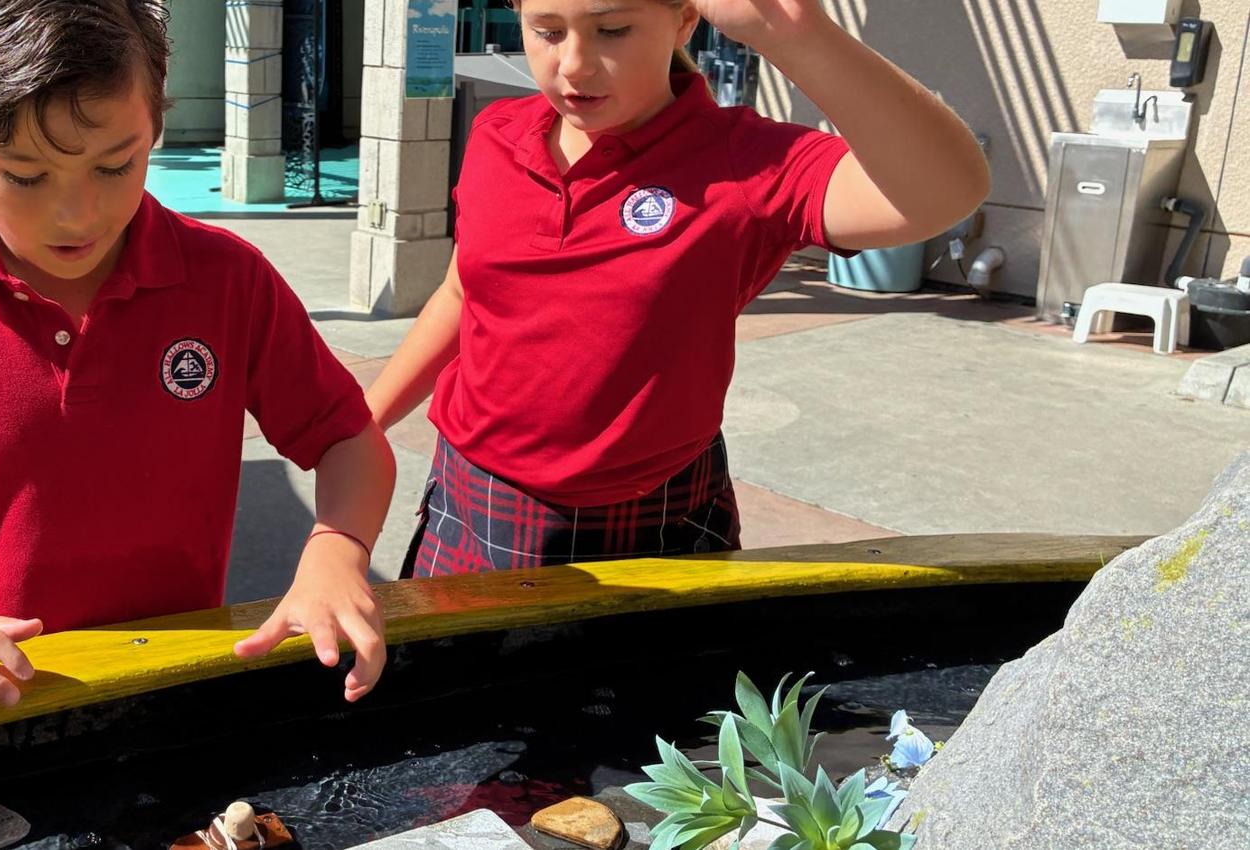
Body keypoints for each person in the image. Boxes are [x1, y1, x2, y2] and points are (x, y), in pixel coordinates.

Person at [0, 0, 397, 736]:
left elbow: (348, 439)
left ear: (155, 118)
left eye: (115, 164)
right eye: (27, 176)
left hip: (174, 685)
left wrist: (336, 553)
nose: (78, 214)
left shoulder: (228, 282)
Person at [363, 0, 990, 575]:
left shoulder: (743, 161)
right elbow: (463, 295)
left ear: (685, 20)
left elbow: (944, 192)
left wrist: (798, 37)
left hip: (651, 514)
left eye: (612, 30)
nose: (573, 64)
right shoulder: (497, 133)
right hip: (474, 494)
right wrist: (366, 420)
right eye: (547, 32)